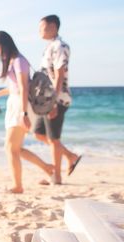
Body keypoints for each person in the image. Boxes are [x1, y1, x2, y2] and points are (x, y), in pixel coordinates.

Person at [0, 31, 54, 193]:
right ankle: (47, 168)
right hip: (14, 104)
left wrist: (23, 113)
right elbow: (13, 87)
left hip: (21, 106)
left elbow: (23, 88)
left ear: (3, 45)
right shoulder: (13, 62)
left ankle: (18, 186)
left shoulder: (19, 61)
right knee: (15, 148)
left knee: (10, 147)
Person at [34, 15, 81, 185]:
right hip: (46, 100)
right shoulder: (49, 47)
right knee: (39, 134)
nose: (40, 31)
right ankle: (70, 156)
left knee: (54, 139)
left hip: (57, 99)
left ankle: (57, 178)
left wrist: (53, 101)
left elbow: (59, 75)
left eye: (43, 27)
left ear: (53, 27)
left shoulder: (61, 46)